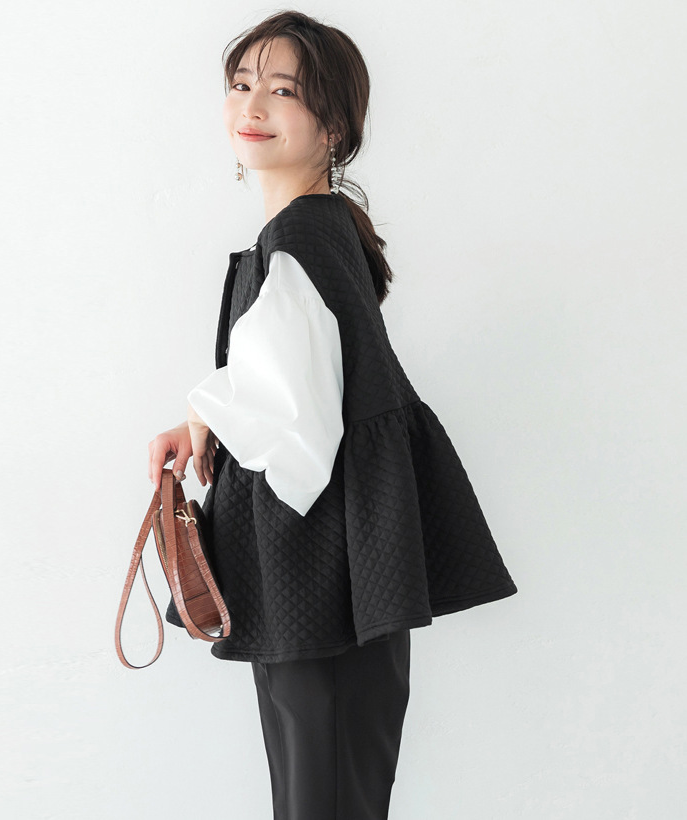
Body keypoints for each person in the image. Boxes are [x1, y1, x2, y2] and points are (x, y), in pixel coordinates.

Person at [146, 11, 518, 820]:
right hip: (334, 578)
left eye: (283, 91)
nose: (253, 105)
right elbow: (307, 375)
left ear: (334, 126)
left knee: (322, 795)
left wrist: (207, 408)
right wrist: (207, 411)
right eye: (241, 84)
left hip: (317, 580)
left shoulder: (300, 241)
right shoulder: (319, 229)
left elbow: (299, 431)